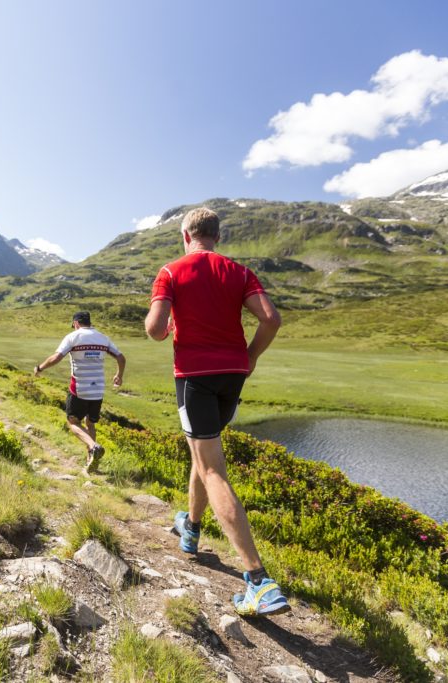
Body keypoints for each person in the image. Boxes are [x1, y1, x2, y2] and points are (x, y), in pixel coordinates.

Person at [144, 207, 288, 617]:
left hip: (195, 377)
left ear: (186, 235)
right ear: (216, 237)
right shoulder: (239, 272)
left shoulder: (171, 272)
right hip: (234, 375)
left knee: (213, 470)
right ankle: (190, 529)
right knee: (203, 452)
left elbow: (155, 330)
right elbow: (271, 319)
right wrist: (250, 356)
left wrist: (168, 322)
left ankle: (259, 581)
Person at [34, 311, 125, 474]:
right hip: (98, 389)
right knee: (90, 424)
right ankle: (90, 461)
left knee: (73, 423)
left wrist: (40, 368)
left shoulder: (73, 337)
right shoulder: (103, 338)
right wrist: (119, 375)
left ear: (76, 323)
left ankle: (93, 447)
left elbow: (56, 357)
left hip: (79, 388)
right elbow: (121, 357)